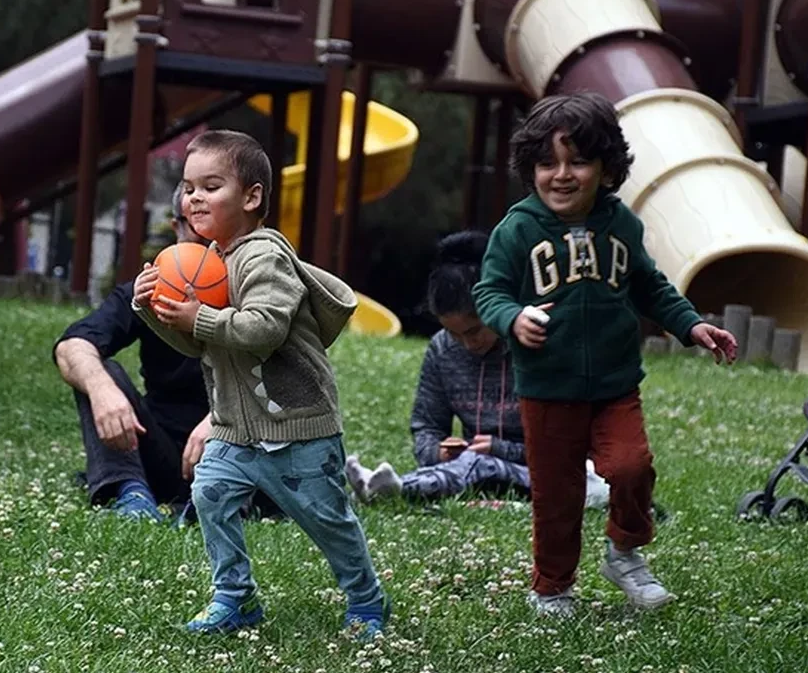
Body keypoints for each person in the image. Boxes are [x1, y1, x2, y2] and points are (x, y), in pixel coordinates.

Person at [472, 92, 738, 618]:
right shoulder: (518, 229)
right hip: (548, 389)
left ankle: (625, 552)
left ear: (608, 167)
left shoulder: (622, 225)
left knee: (632, 465)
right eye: (548, 163)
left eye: (579, 161)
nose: (562, 175)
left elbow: (651, 287)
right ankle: (552, 588)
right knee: (557, 497)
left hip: (616, 384)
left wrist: (691, 325)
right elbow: (489, 292)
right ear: (531, 169)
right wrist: (513, 317)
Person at [131, 129, 389, 639]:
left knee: (327, 520)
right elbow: (200, 345)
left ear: (251, 197)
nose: (193, 198)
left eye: (211, 186)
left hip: (298, 426)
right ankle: (235, 597)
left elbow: (264, 329)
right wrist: (155, 310)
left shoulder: (263, 256)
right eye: (188, 188)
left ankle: (365, 598)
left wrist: (198, 315)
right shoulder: (211, 260)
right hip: (235, 428)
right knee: (209, 493)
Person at [345, 231, 610, 509]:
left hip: (558, 475)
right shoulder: (442, 350)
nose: (467, 344)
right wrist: (439, 451)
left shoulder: (542, 345)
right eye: (454, 335)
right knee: (473, 465)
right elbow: (427, 426)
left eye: (474, 331)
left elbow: (570, 444)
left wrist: (499, 449)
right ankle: (378, 490)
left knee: (478, 464)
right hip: (473, 467)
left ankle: (397, 489)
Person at [52, 183, 212, 522]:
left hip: (237, 455)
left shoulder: (258, 294)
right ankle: (131, 494)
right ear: (176, 228)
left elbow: (284, 382)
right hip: (164, 453)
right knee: (98, 370)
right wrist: (101, 389)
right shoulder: (147, 291)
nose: (203, 234)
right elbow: (72, 346)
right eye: (193, 224)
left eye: (213, 225)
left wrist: (226, 421)